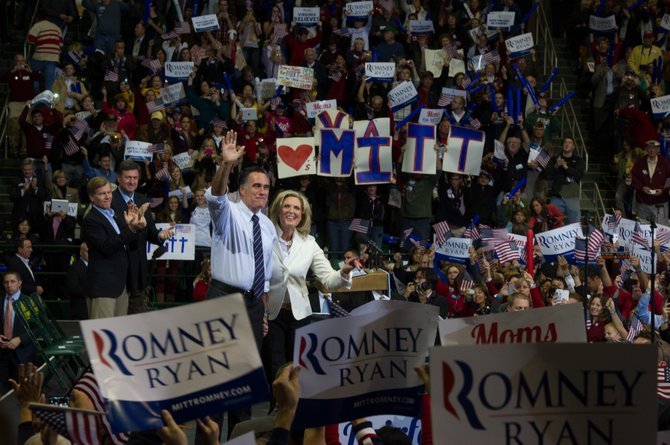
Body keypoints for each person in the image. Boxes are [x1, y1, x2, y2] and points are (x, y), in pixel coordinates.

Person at [205, 130, 275, 437]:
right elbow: (216, 195)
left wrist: (262, 313)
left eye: (266, 187)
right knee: (217, 380)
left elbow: (266, 276)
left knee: (245, 382)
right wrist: (226, 165)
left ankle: (239, 440)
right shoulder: (228, 213)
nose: (262, 191)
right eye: (256, 186)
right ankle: (209, 440)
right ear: (243, 191)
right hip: (223, 299)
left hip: (252, 305)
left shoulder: (269, 225)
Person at [266, 190, 356, 382]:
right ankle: (280, 408)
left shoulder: (309, 243)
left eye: (296, 208)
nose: (291, 211)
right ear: (278, 210)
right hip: (272, 313)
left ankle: (296, 408)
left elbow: (329, 279)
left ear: (302, 215)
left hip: (300, 314)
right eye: (287, 206)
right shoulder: (265, 236)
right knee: (276, 367)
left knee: (297, 367)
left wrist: (344, 272)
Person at [112, 160, 173, 314]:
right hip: (117, 268)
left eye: (135, 178)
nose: (132, 181)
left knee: (136, 317)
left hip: (138, 269)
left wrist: (159, 235)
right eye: (128, 177)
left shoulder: (142, 200)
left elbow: (149, 230)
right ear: (119, 178)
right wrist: (131, 226)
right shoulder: (110, 200)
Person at [83, 177, 145, 319]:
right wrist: (130, 228)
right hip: (103, 288)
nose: (107, 196)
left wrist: (137, 227)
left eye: (109, 192)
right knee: (103, 335)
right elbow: (107, 247)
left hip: (121, 285)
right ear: (92, 197)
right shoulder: (91, 219)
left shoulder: (115, 214)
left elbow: (130, 244)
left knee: (118, 334)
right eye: (102, 193)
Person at [0, 271, 38, 394]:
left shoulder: (29, 302)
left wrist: (20, 339)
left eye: (12, 282)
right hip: (2, 353)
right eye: (6, 282)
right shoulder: (0, 301)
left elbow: (38, 328)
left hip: (23, 354)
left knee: (24, 392)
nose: (9, 285)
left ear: (19, 283)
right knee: (3, 393)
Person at [632, 140, 670, 225]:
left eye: (654, 148)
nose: (651, 150)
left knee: (661, 229)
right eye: (649, 148)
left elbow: (669, 179)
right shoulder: (640, 163)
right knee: (643, 229)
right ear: (646, 149)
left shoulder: (665, 163)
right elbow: (634, 179)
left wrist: (663, 190)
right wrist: (642, 188)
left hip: (661, 203)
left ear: (658, 150)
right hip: (643, 202)